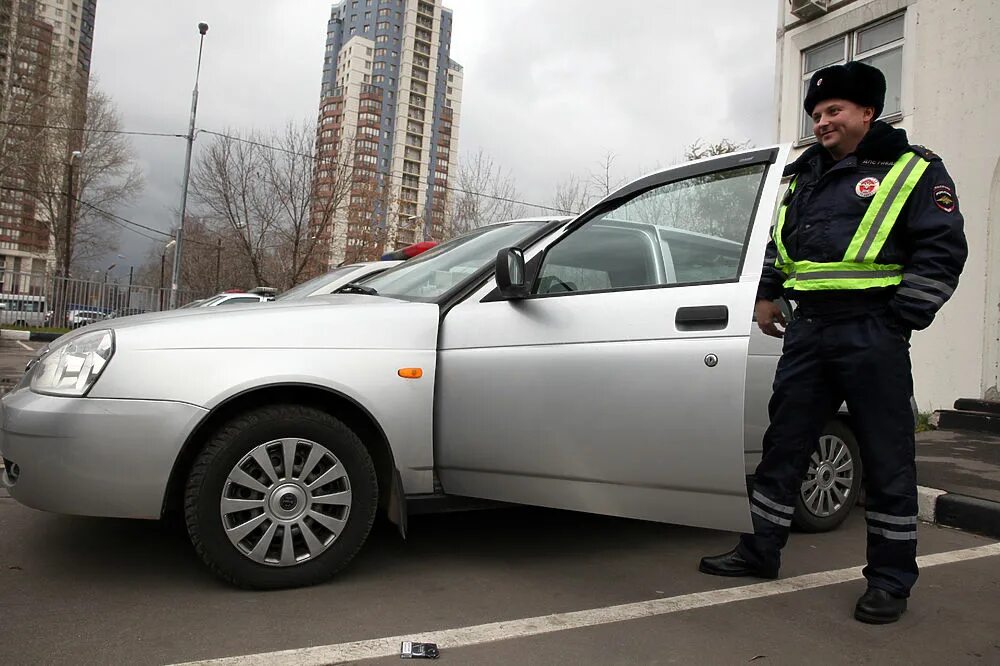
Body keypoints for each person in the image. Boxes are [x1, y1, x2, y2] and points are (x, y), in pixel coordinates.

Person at [698, 61, 968, 624]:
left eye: (834, 111)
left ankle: (891, 581)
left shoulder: (913, 169)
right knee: (784, 446)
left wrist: (900, 320)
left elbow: (942, 251)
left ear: (867, 113)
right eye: (817, 115)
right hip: (809, 331)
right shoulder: (802, 176)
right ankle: (759, 550)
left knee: (887, 459)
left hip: (873, 329)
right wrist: (766, 295)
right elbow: (779, 245)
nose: (822, 122)